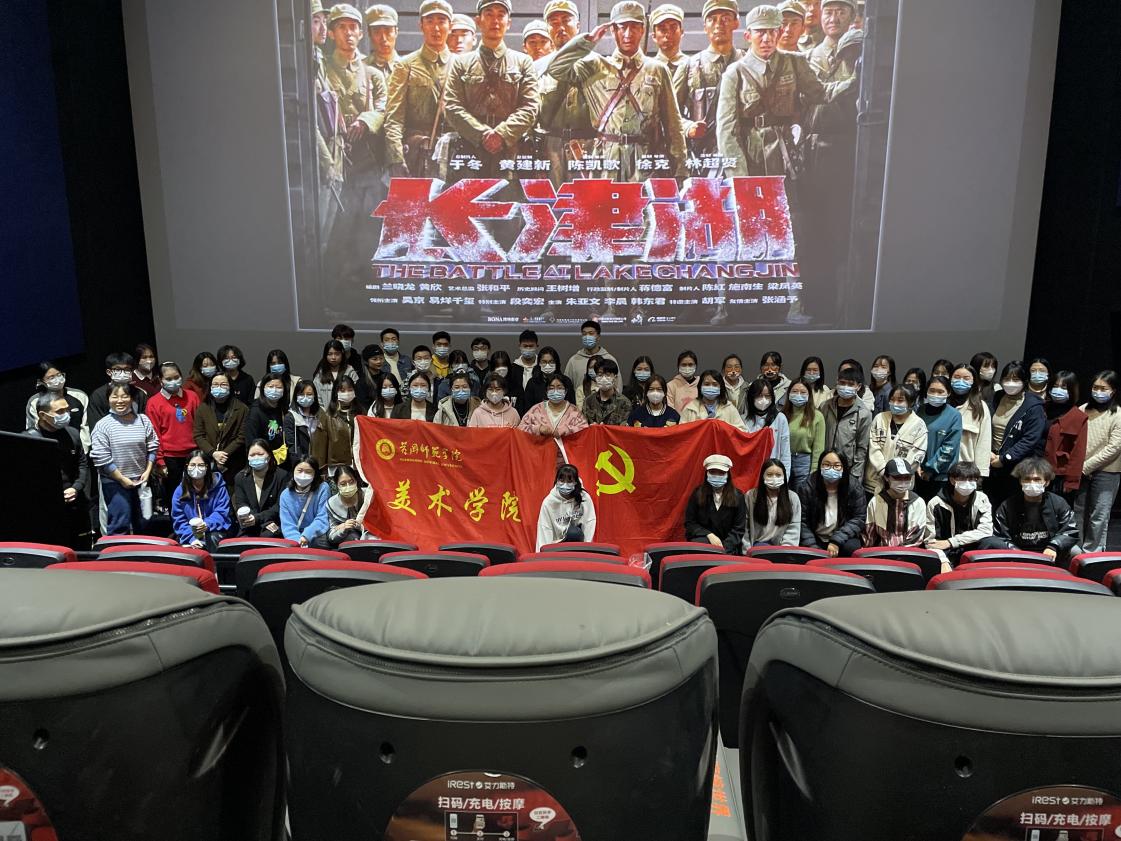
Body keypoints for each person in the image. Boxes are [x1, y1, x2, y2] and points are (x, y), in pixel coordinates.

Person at [544, 2, 685, 183]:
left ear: (642, 30)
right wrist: (587, 41)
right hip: (605, 161)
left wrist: (681, 171)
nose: (628, 34)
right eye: (622, 27)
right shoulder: (596, 66)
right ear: (613, 31)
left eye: (634, 27)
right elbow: (556, 68)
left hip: (645, 160)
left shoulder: (657, 70)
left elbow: (673, 125)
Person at [443, 0, 539, 182]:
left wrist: (502, 134)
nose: (495, 21)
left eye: (501, 15)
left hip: (511, 151)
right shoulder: (461, 63)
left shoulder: (523, 62)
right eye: (489, 14)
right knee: (469, 198)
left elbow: (530, 107)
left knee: (509, 198)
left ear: (508, 23)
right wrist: (482, 134)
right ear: (478, 21)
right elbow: (452, 106)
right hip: (470, 149)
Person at [672, 0, 742, 180]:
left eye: (726, 18)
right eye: (712, 19)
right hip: (705, 155)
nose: (719, 24)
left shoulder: (748, 63)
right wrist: (688, 127)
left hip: (742, 154)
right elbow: (669, 115)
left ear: (736, 23)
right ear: (705, 26)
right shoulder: (689, 66)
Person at [980, 457, 1081, 565]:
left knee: (1075, 551)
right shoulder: (1007, 505)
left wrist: (1053, 546)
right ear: (1020, 481)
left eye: (1037, 479)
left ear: (1046, 482)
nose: (1031, 483)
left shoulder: (1059, 503)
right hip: (1017, 551)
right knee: (989, 542)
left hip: (1048, 550)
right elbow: (1000, 536)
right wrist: (1016, 552)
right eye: (1027, 479)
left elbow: (1070, 530)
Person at [90, 383, 158, 535]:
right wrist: (121, 479)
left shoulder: (143, 420)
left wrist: (148, 471)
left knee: (145, 522)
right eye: (114, 397)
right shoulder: (103, 425)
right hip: (115, 482)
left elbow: (153, 446)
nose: (119, 401)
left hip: (142, 480)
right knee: (119, 524)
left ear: (132, 399)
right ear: (108, 399)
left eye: (124, 396)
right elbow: (101, 457)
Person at [26, 392, 90, 548]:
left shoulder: (73, 434)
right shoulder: (30, 440)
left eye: (67, 409)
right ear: (43, 415)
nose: (66, 414)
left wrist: (76, 487)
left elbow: (82, 464)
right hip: (47, 508)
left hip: (75, 502)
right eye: (60, 411)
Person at [1074, 370, 1121, 552]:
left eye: (1103, 388)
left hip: (1107, 472)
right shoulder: (1082, 410)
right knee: (1079, 511)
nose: (1098, 392)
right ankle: (1075, 552)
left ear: (1113, 391)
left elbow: (1114, 447)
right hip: (1081, 470)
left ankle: (1092, 555)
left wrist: (1086, 466)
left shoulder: (1117, 415)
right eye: (1095, 387)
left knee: (1099, 514)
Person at [988, 361, 1046, 504]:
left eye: (1015, 379)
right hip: (991, 461)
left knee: (1012, 506)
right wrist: (988, 453)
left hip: (1016, 466)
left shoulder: (1033, 406)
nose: (1010, 383)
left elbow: (1030, 439)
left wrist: (1004, 459)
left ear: (1025, 381)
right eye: (1007, 379)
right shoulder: (997, 397)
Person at [146, 361, 200, 511]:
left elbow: (200, 425)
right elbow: (154, 434)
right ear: (160, 380)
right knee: (175, 496)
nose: (173, 381)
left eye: (176, 377)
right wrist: (160, 461)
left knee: (197, 492)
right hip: (170, 457)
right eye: (168, 379)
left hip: (193, 454)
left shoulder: (192, 397)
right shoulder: (153, 402)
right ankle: (177, 524)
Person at [925, 461, 993, 571]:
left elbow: (986, 530)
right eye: (963, 479)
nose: (968, 483)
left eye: (972, 479)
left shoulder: (982, 499)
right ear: (952, 480)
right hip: (947, 551)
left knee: (994, 543)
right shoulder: (935, 503)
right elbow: (930, 542)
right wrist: (943, 560)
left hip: (971, 546)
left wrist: (952, 542)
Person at [797, 450, 866, 557]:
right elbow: (802, 521)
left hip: (841, 537)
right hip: (815, 537)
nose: (831, 469)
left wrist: (836, 540)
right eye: (826, 465)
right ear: (820, 466)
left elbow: (859, 518)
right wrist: (813, 547)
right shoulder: (807, 487)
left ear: (843, 468)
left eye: (837, 466)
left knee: (852, 548)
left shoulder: (854, 487)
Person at [865, 384, 927, 496]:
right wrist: (884, 471)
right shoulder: (880, 418)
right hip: (875, 479)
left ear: (911, 403)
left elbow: (917, 455)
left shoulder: (919, 425)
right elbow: (874, 447)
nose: (895, 403)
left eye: (900, 400)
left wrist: (897, 475)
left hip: (902, 482)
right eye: (892, 399)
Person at [192, 372, 248, 485]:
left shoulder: (242, 408)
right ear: (210, 387)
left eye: (223, 384)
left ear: (230, 387)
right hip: (209, 459)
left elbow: (241, 436)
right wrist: (213, 453)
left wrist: (223, 454)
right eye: (215, 384)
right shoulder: (203, 408)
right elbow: (198, 435)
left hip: (234, 460)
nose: (219, 387)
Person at [862, 458, 930, 548]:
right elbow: (869, 535)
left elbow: (916, 538)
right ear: (886, 478)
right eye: (897, 477)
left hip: (909, 552)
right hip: (881, 552)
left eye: (907, 477)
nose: (903, 482)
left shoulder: (918, 503)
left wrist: (898, 552)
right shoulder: (876, 502)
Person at [683, 454, 745, 552]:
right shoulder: (698, 494)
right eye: (712, 472)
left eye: (721, 473)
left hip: (729, 547)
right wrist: (709, 535)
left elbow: (739, 529)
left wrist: (724, 548)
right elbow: (690, 523)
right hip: (702, 543)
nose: (717, 476)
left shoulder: (738, 496)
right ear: (707, 473)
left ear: (727, 474)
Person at [170, 450, 231, 550]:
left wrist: (207, 524)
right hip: (189, 534)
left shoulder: (219, 487)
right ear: (187, 467)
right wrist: (192, 539)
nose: (196, 468)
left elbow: (222, 512)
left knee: (212, 537)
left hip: (214, 530)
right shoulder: (180, 491)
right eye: (192, 465)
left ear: (207, 467)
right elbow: (179, 521)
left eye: (201, 465)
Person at [23, 360, 90, 449]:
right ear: (41, 381)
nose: (57, 379)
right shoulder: (35, 402)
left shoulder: (79, 396)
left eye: (59, 375)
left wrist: (83, 450)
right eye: (51, 378)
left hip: (75, 447)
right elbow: (34, 430)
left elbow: (85, 427)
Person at [822, 365, 872, 482]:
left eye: (850, 384)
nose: (845, 387)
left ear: (858, 386)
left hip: (848, 469)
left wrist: (855, 474)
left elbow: (862, 448)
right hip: (825, 465)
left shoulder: (864, 413)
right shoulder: (825, 406)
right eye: (842, 383)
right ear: (837, 383)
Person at [916, 375, 962, 499]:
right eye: (932, 390)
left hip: (941, 476)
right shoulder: (920, 410)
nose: (935, 394)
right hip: (917, 472)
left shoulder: (954, 415)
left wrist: (930, 469)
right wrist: (916, 465)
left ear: (948, 393)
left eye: (940, 391)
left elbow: (949, 448)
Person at [1044, 371, 1087, 499]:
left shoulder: (1078, 417)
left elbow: (1078, 453)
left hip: (1058, 475)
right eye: (1055, 386)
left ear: (1072, 391)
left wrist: (1071, 481)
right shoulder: (1041, 408)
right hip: (1034, 468)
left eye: (1064, 387)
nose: (1058, 390)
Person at [233, 439, 290, 536]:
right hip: (249, 524)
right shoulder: (241, 477)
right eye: (252, 455)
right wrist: (250, 518)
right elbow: (241, 503)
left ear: (269, 456)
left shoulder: (281, 476)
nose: (256, 457)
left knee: (268, 536)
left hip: (271, 522)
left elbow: (279, 506)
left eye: (260, 454)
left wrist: (258, 518)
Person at [535, 463, 596, 549]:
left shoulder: (584, 498)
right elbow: (544, 528)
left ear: (575, 482)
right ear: (556, 481)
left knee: (574, 533)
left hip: (578, 541)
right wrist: (542, 552)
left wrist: (587, 548)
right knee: (572, 533)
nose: (565, 484)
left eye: (569, 481)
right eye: (562, 480)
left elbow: (589, 522)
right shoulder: (548, 502)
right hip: (556, 543)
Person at [743, 458, 801, 547]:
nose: (774, 478)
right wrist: (747, 550)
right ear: (763, 476)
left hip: (781, 548)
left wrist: (785, 551)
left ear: (784, 477)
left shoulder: (793, 498)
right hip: (756, 546)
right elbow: (745, 528)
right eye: (769, 475)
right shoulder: (750, 496)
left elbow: (793, 528)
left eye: (778, 475)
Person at [949, 364, 992, 480]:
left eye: (966, 378)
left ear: (973, 381)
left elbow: (984, 443)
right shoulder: (943, 404)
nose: (960, 381)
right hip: (939, 470)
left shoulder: (980, 407)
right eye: (956, 377)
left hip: (966, 472)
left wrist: (980, 473)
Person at [280, 457, 331, 547]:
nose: (303, 475)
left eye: (308, 471)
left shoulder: (323, 488)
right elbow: (287, 525)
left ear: (315, 474)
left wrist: (307, 535)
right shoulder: (285, 495)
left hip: (317, 535)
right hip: (295, 537)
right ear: (293, 471)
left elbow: (322, 517)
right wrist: (297, 542)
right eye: (299, 471)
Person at [87, 352, 148, 427]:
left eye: (127, 369)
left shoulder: (139, 394)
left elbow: (145, 421)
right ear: (109, 372)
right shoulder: (98, 395)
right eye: (117, 369)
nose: (122, 373)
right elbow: (95, 424)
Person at [518, 373, 587, 439]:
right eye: (551, 388)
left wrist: (568, 430)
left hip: (567, 447)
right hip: (541, 447)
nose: (555, 391)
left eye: (559, 388)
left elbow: (585, 430)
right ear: (546, 391)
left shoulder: (574, 411)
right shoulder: (536, 410)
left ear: (566, 391)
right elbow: (520, 429)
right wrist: (538, 429)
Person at [742, 378, 791, 470]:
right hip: (750, 469)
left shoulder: (780, 418)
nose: (764, 400)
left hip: (773, 470)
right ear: (751, 397)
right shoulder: (743, 419)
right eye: (759, 396)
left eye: (767, 396)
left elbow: (785, 452)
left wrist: (785, 475)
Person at [784, 378, 824, 486]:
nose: (798, 395)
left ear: (809, 395)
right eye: (794, 391)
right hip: (784, 460)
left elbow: (818, 448)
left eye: (803, 392)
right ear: (789, 394)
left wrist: (814, 471)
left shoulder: (817, 416)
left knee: (802, 493)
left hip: (804, 462)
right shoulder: (781, 415)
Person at [244, 375, 290, 466]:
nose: (274, 390)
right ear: (263, 388)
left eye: (278, 387)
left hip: (281, 459)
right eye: (270, 386)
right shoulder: (255, 411)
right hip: (262, 460)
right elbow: (251, 441)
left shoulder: (283, 408)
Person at [319, 377, 361, 476]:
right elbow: (322, 447)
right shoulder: (328, 417)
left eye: (350, 390)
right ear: (336, 393)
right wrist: (322, 470)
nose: (347, 393)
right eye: (342, 391)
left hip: (359, 464)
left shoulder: (361, 413)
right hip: (336, 466)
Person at [679, 370, 747, 430]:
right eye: (706, 384)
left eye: (715, 384)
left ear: (721, 387)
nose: (710, 387)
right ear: (700, 387)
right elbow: (681, 433)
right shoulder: (690, 408)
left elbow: (742, 431)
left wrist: (723, 429)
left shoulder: (729, 408)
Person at [325, 465, 373, 545]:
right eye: (343, 484)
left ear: (356, 481)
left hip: (370, 536)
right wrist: (343, 528)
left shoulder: (368, 496)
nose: (348, 486)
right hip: (349, 541)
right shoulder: (331, 504)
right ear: (337, 485)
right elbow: (331, 536)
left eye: (351, 482)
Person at [283, 379, 329, 464]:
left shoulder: (321, 413)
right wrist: (300, 463)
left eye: (309, 394)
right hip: (300, 461)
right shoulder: (291, 417)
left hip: (320, 461)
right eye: (301, 394)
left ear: (315, 396)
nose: (305, 397)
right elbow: (292, 446)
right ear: (296, 396)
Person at [521, 346, 574, 413]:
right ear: (539, 363)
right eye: (544, 362)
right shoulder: (532, 383)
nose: (547, 365)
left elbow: (572, 406)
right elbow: (528, 409)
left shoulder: (566, 381)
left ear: (556, 363)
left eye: (551, 362)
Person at [563, 321, 616, 387]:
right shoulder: (573, 360)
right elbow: (566, 385)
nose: (587, 337)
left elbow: (617, 385)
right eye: (584, 334)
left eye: (591, 333)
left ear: (598, 336)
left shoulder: (609, 359)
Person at [582, 359, 631, 425]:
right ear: (596, 377)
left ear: (615, 378)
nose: (603, 379)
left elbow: (623, 428)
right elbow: (583, 425)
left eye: (608, 375)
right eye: (600, 375)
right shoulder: (588, 401)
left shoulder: (624, 403)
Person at [312, 339, 360, 407]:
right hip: (325, 411)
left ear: (342, 354)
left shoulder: (350, 371)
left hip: (348, 410)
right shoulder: (320, 374)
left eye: (337, 354)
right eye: (330, 354)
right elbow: (317, 397)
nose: (333, 357)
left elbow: (357, 393)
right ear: (325, 355)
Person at [651, 3, 686, 75]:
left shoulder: (693, 67)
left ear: (681, 32)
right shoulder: (647, 69)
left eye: (673, 27)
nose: (668, 34)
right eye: (662, 29)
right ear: (654, 36)